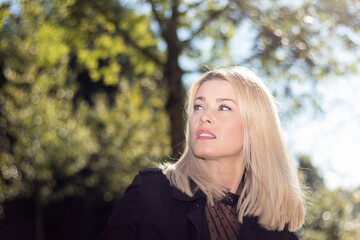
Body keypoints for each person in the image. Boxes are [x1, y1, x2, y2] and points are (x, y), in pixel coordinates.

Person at [100, 66, 305, 240]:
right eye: (199, 106)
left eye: (224, 107)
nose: (204, 116)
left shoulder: (278, 230)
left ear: (256, 127)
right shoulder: (151, 192)